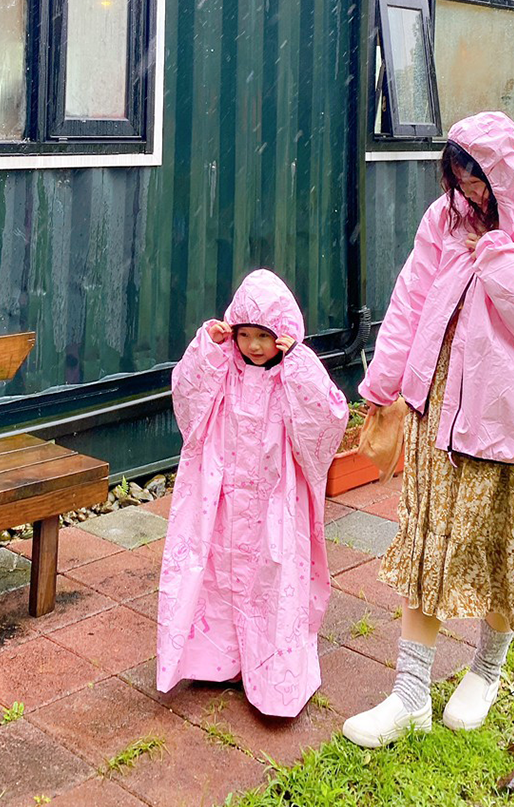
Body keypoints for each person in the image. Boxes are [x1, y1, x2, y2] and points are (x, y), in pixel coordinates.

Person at [342, 111, 514, 746]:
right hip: (441, 410)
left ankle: (486, 670)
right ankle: (410, 693)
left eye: (478, 178)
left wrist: (496, 253)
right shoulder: (446, 219)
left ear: (506, 171)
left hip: (511, 423)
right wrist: (382, 387)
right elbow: (410, 299)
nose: (469, 192)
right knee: (428, 540)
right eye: (458, 178)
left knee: (502, 545)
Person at [157, 268, 349, 717]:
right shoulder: (224, 371)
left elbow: (328, 416)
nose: (254, 346)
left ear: (282, 335)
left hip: (274, 503)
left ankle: (273, 677)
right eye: (244, 334)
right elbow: (187, 395)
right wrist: (208, 347)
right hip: (223, 501)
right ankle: (217, 660)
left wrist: (298, 363)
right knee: (219, 576)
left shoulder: (294, 376)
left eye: (264, 336)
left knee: (271, 581)